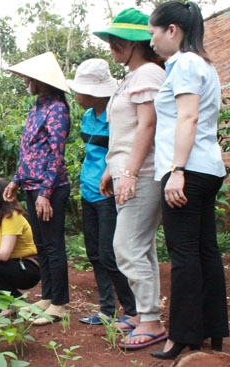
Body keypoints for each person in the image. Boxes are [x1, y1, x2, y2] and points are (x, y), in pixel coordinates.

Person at [148, 1, 229, 359]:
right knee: (205, 250)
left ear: (172, 30)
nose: (151, 42)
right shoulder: (206, 66)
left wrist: (177, 171)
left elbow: (188, 118)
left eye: (153, 32)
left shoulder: (182, 64)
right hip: (208, 168)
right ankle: (211, 331)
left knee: (183, 255)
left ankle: (181, 337)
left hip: (187, 169)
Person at [93, 8, 167, 349]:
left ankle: (150, 319)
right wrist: (111, 168)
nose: (112, 46)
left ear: (137, 42)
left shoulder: (149, 73)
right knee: (141, 246)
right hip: (127, 171)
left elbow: (148, 126)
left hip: (144, 173)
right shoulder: (131, 77)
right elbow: (125, 132)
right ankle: (144, 314)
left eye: (117, 40)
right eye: (110, 40)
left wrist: (131, 172)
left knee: (125, 247)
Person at [66, 58, 138, 325]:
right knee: (95, 253)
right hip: (88, 190)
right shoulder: (87, 117)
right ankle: (107, 310)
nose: (77, 95)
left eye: (80, 90)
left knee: (110, 254)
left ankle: (131, 310)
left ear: (94, 92)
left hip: (109, 193)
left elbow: (125, 150)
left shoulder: (115, 114)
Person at [3, 52, 71, 326]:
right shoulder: (37, 109)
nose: (25, 82)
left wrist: (45, 192)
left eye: (28, 78)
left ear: (40, 81)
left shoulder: (57, 108)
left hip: (50, 188)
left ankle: (60, 304)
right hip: (32, 186)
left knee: (53, 246)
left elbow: (56, 154)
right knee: (41, 245)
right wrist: (16, 180)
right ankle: (47, 296)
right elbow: (29, 152)